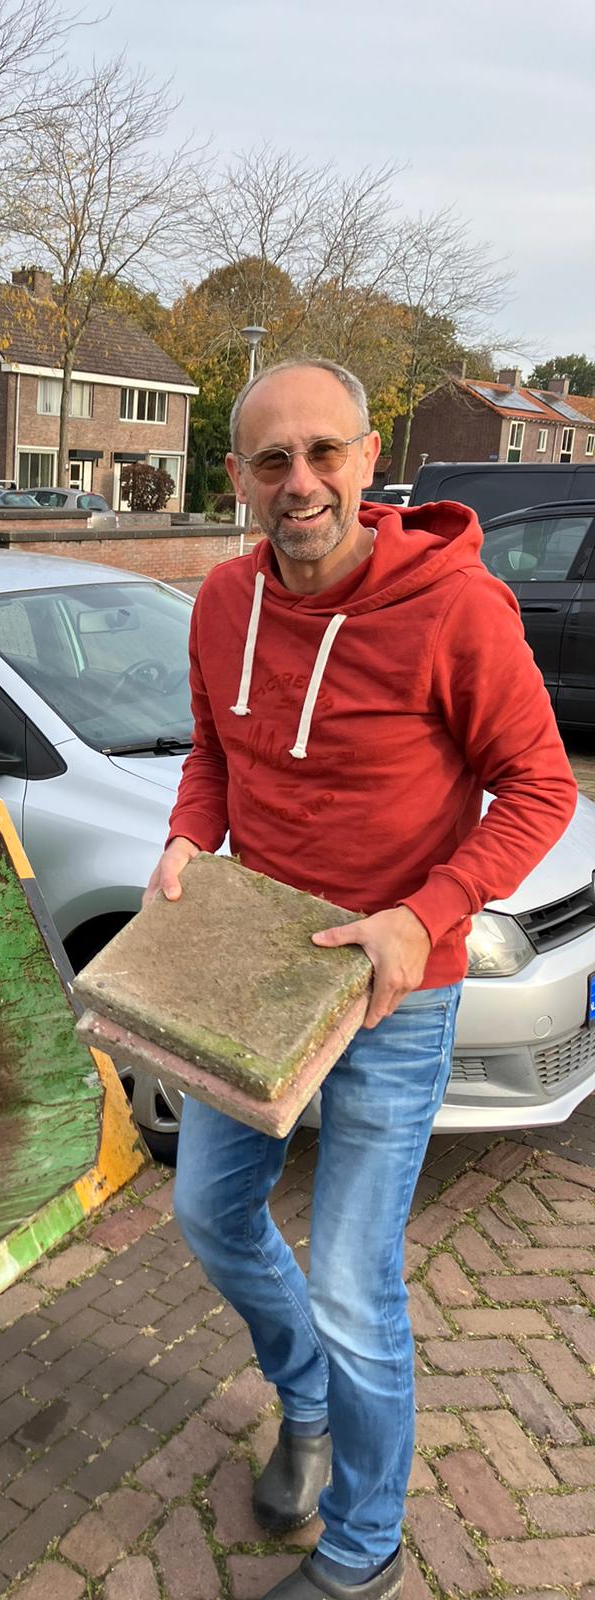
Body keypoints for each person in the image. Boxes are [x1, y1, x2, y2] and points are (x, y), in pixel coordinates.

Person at [145, 358, 577, 1600]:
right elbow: (213, 756)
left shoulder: (457, 607)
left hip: (400, 989)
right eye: (273, 461)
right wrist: (189, 833)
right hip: (263, 971)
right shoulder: (224, 599)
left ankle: (364, 1546)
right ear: (237, 478)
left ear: (369, 455)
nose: (301, 483)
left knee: (350, 1276)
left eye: (323, 453)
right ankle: (309, 1405)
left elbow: (543, 786)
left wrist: (423, 914)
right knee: (210, 1216)